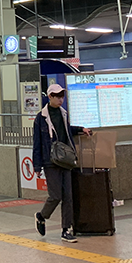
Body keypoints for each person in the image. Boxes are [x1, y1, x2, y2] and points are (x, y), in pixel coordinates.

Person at [31, 84, 90, 243]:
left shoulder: (64, 114)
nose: (60, 99)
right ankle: (41, 216)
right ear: (50, 97)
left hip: (66, 160)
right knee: (55, 196)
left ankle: (66, 229)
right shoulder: (41, 118)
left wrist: (80, 129)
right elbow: (37, 143)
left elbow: (66, 129)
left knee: (68, 196)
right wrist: (37, 166)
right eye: (57, 96)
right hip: (50, 161)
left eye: (62, 96)